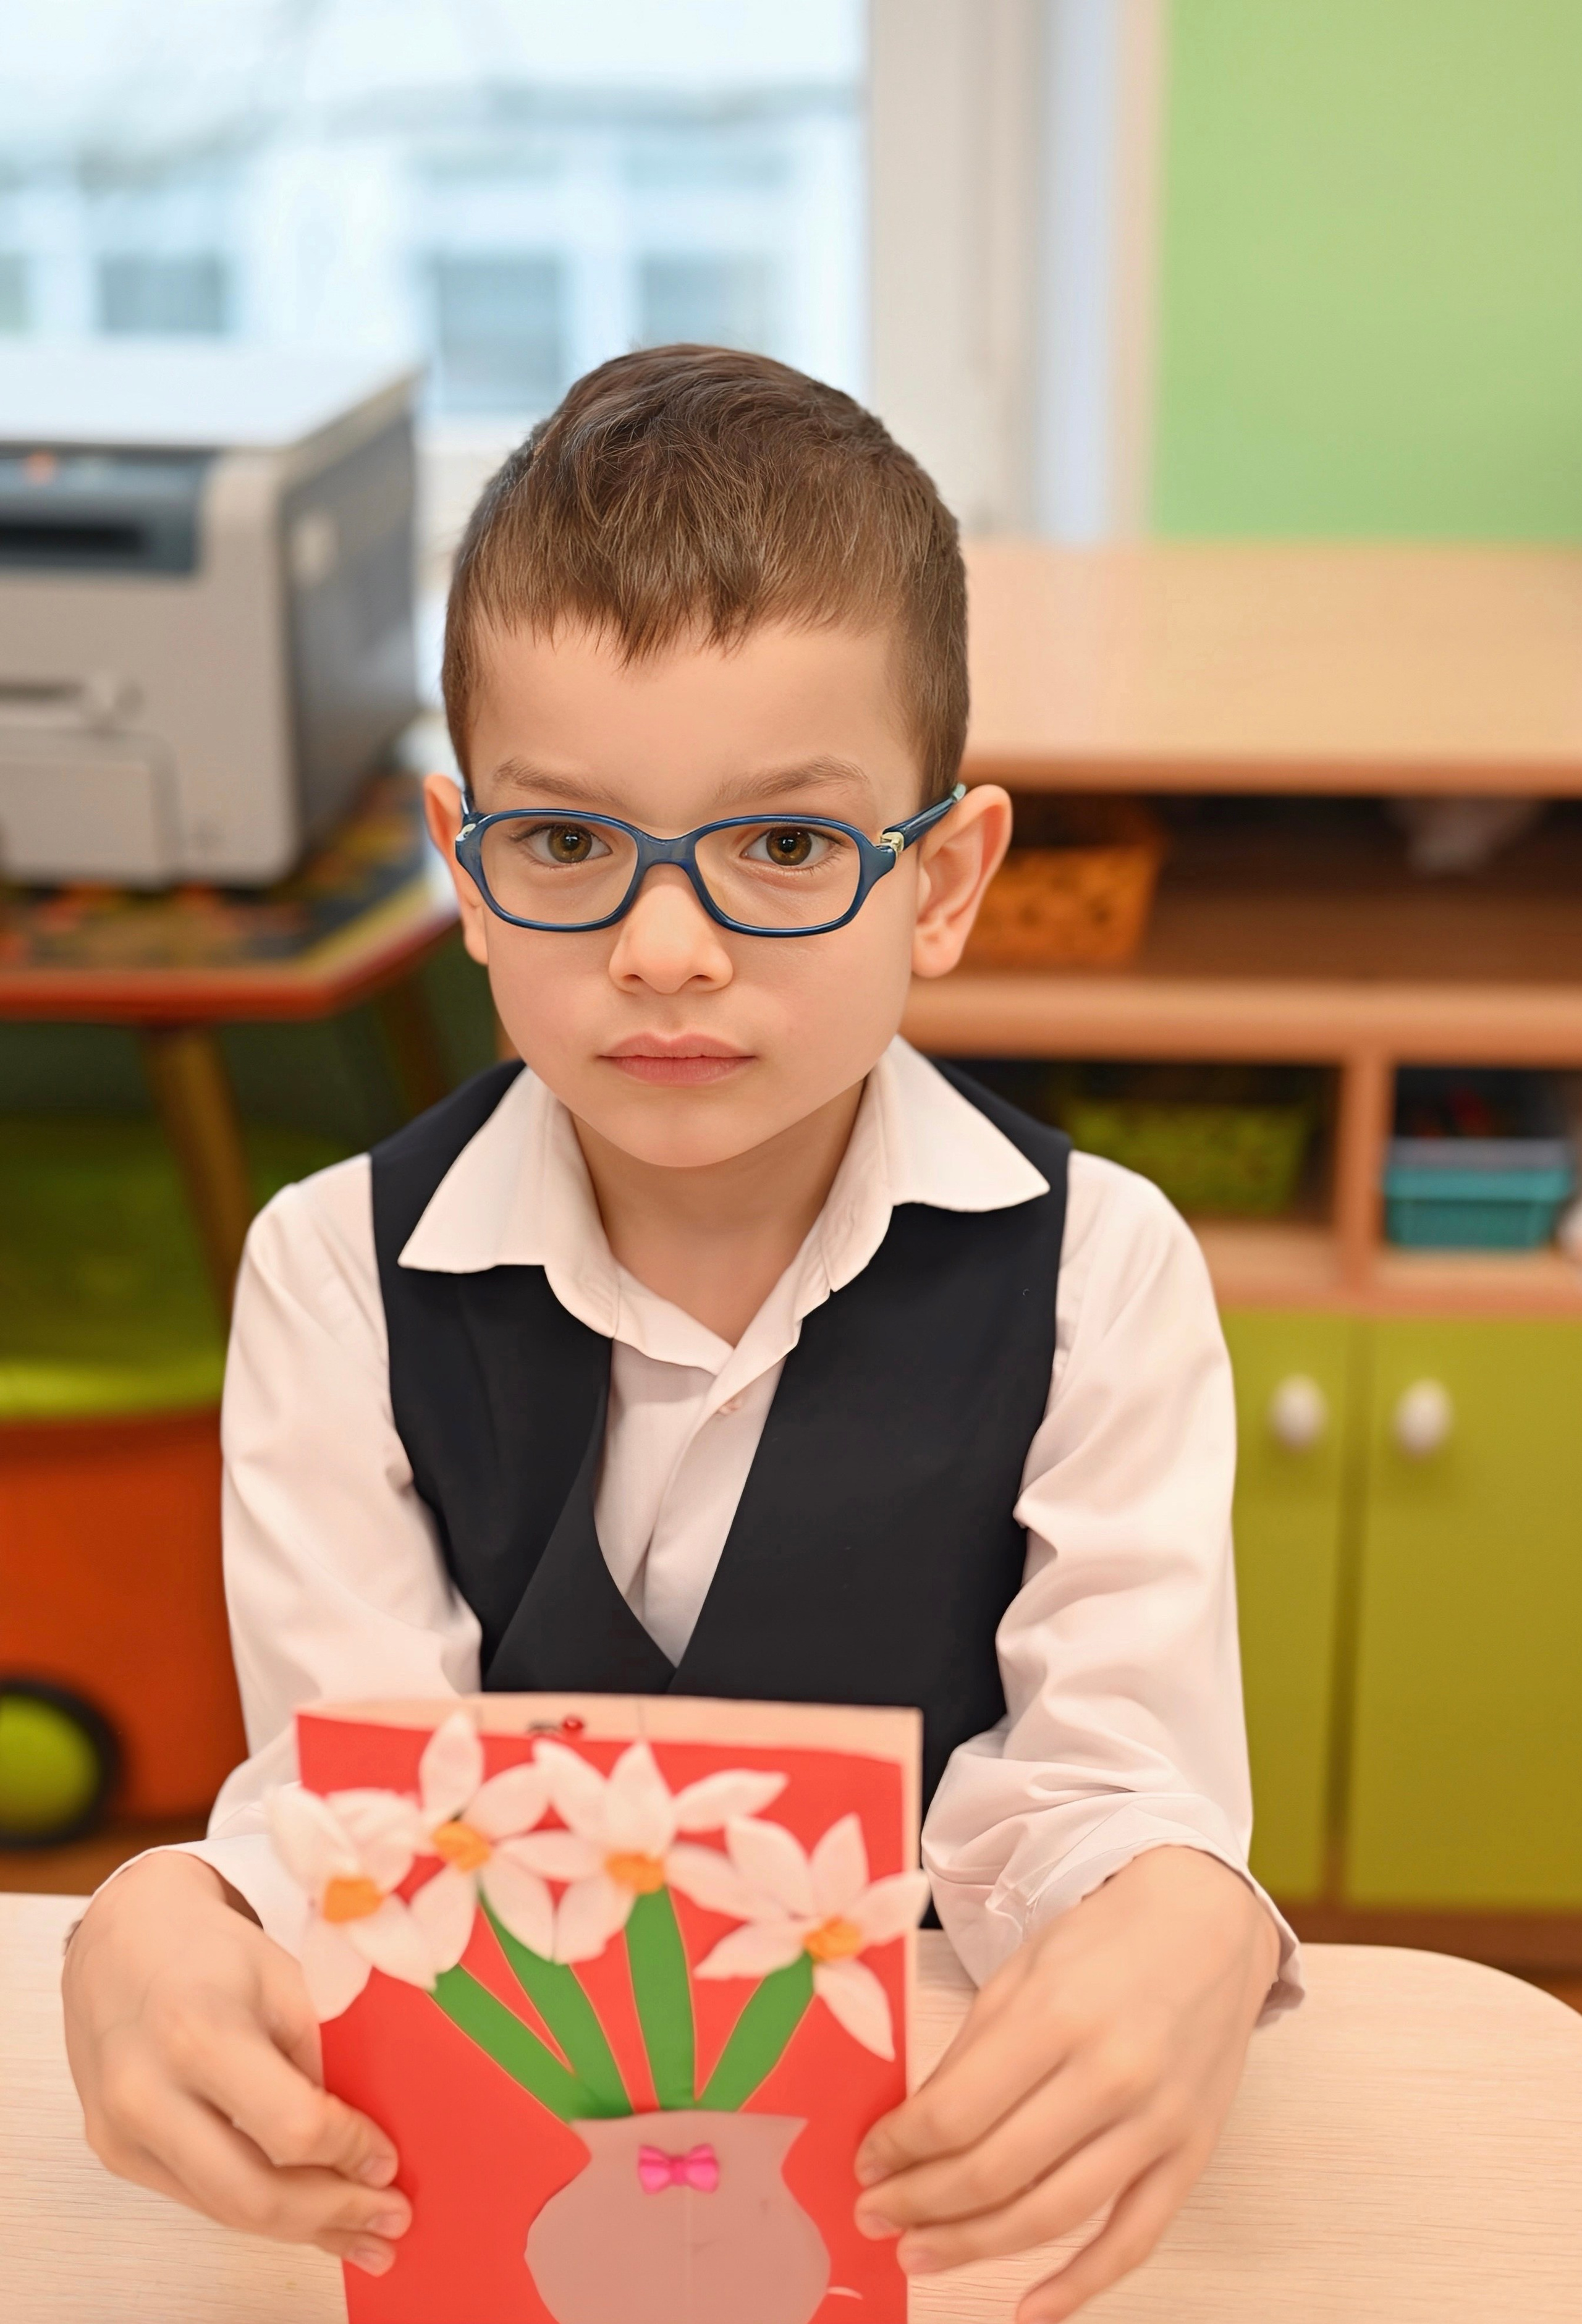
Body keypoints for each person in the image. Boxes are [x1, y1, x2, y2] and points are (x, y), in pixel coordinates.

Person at [62, 345, 1296, 2322]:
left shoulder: (1103, 1273)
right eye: (567, 845)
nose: (664, 950)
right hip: (494, 2217)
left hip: (933, 2201)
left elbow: (1105, 1797)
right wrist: (168, 1898)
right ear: (467, 869)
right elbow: (350, 1821)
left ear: (944, 882)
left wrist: (1185, 1910)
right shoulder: (332, 1271)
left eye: (786, 847)